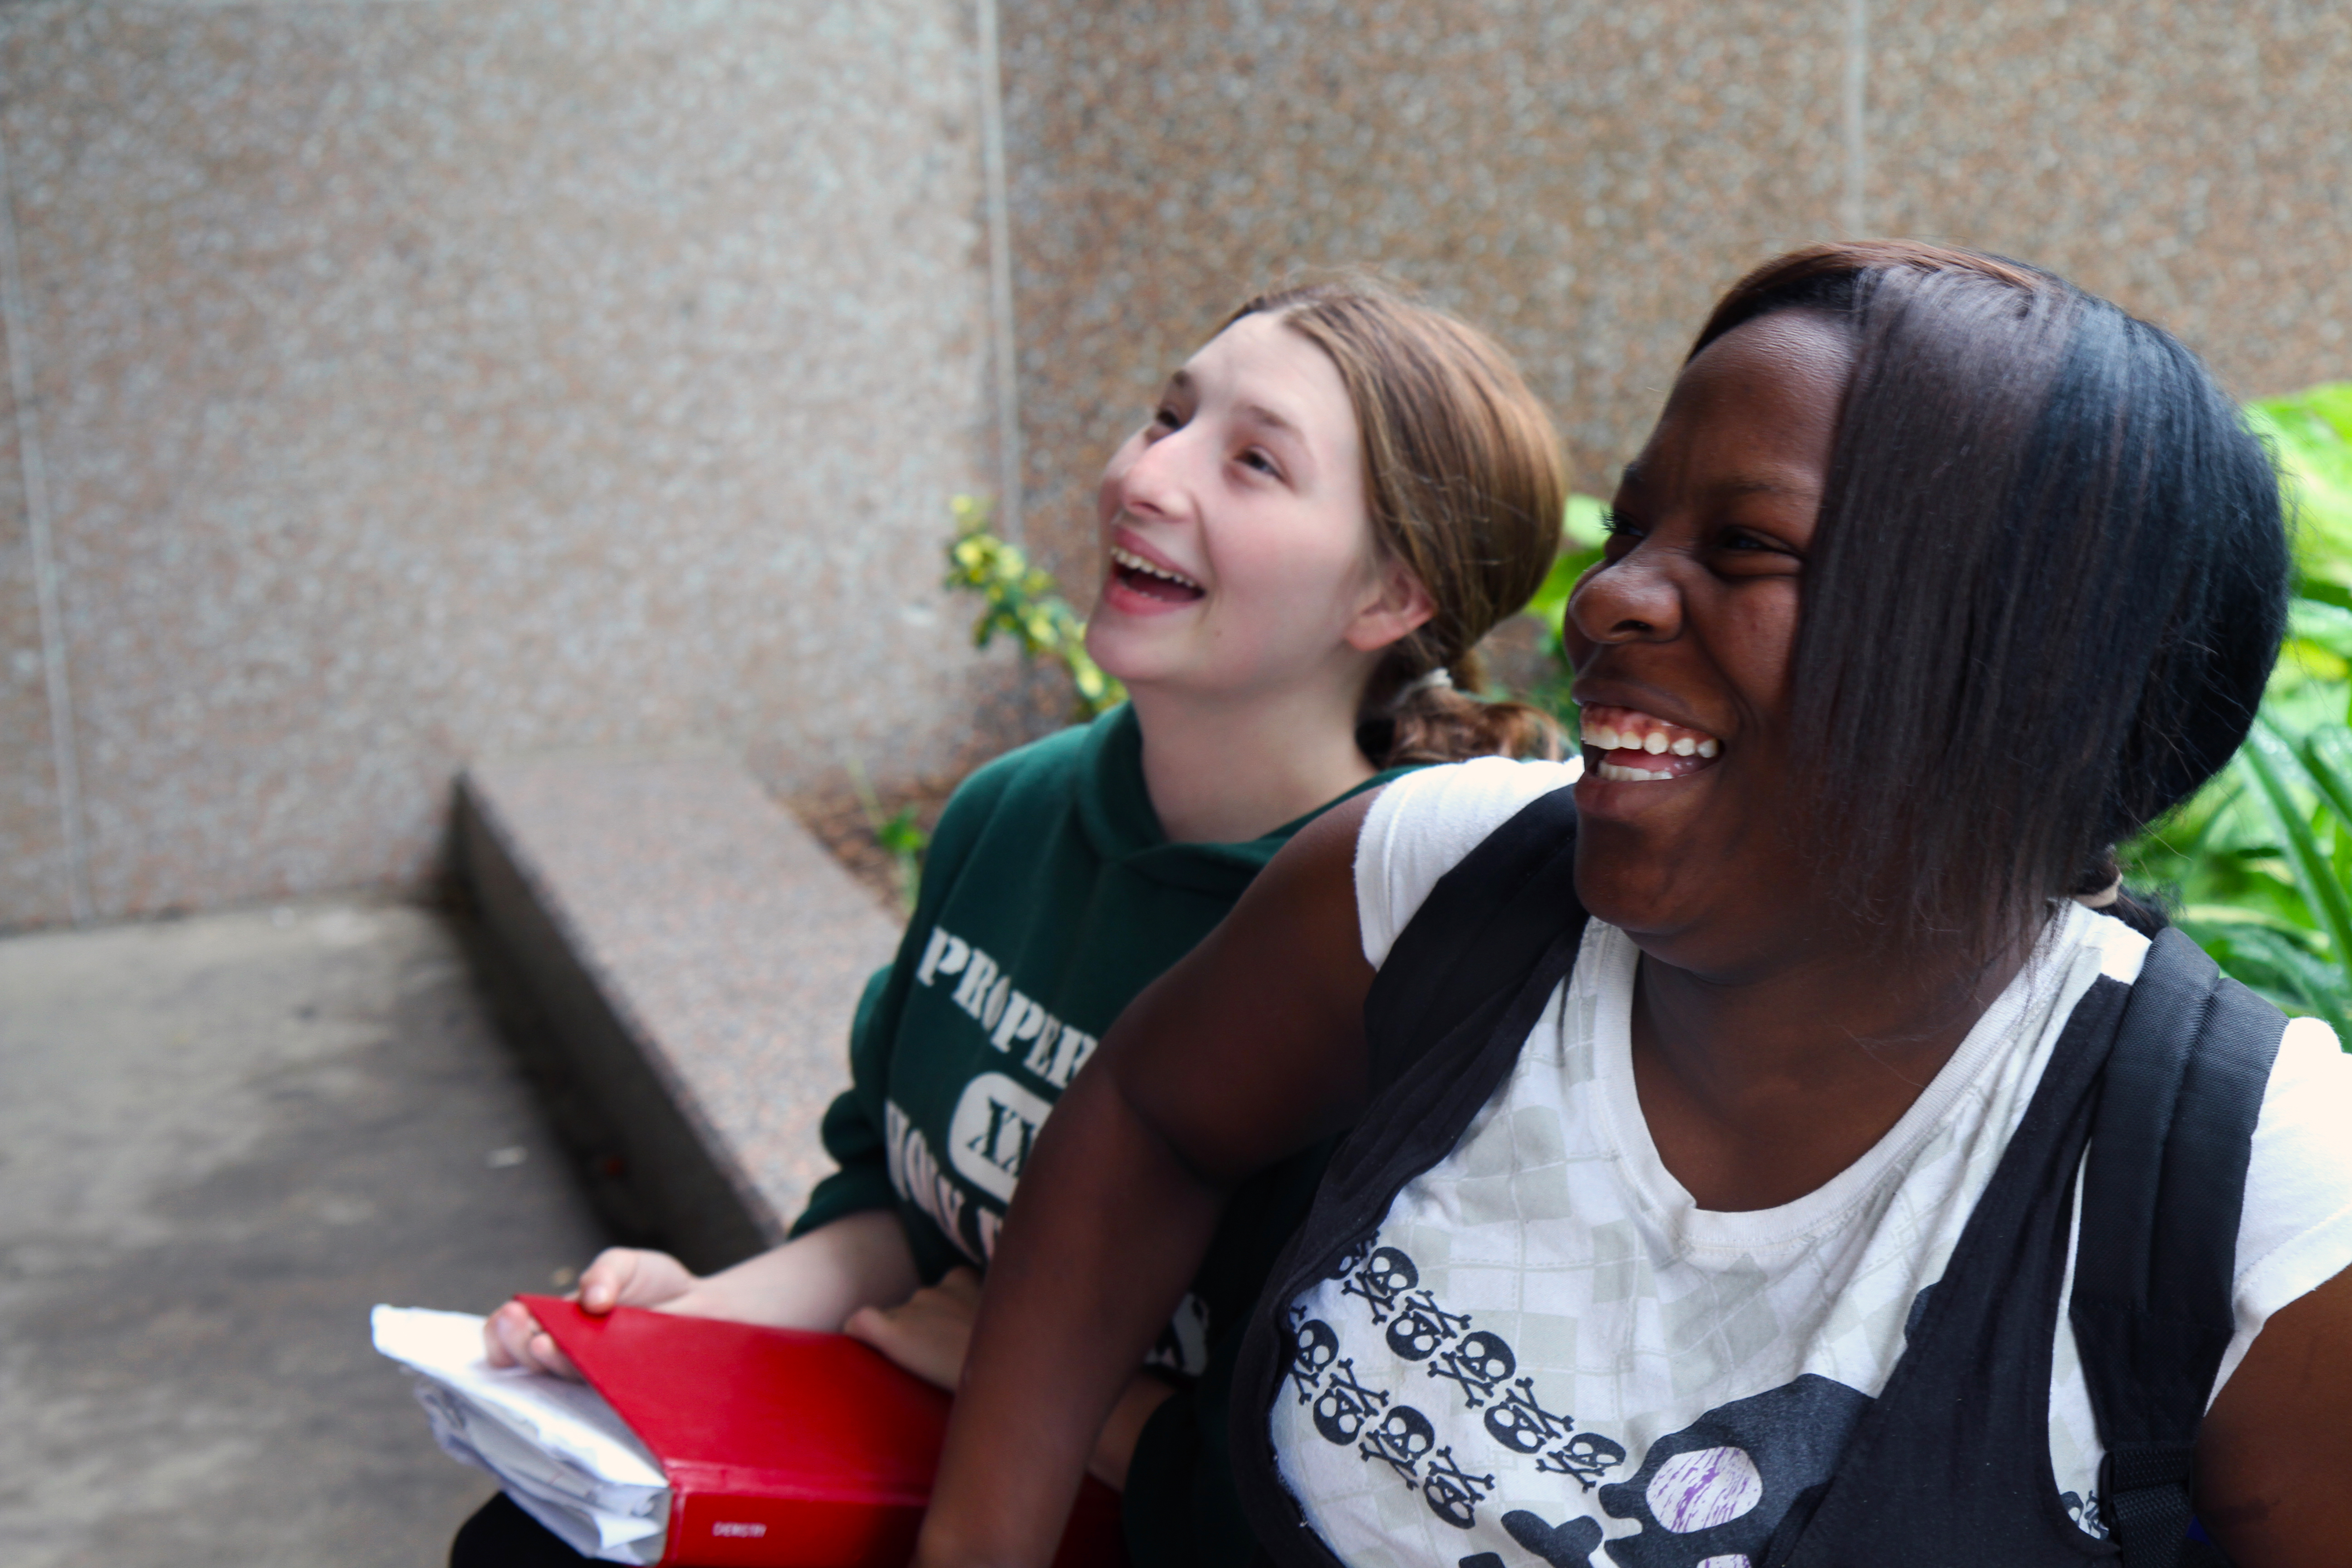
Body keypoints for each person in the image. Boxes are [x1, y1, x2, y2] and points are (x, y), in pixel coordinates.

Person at [912, 242, 2352, 1568]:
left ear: (2022, 679)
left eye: (1745, 549)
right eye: (1641, 523)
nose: (1604, 599)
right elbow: (1150, 1120)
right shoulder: (1442, 877)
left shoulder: (2241, 1184)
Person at [450, 277, 1576, 1565]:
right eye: (1166, 415)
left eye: (1254, 461)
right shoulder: (1010, 815)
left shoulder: (1399, 957)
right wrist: (683, 1326)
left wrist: (1029, 1361)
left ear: (1390, 597)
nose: (1147, 476)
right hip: (900, 1453)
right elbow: (897, 1213)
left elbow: (1343, 1475)